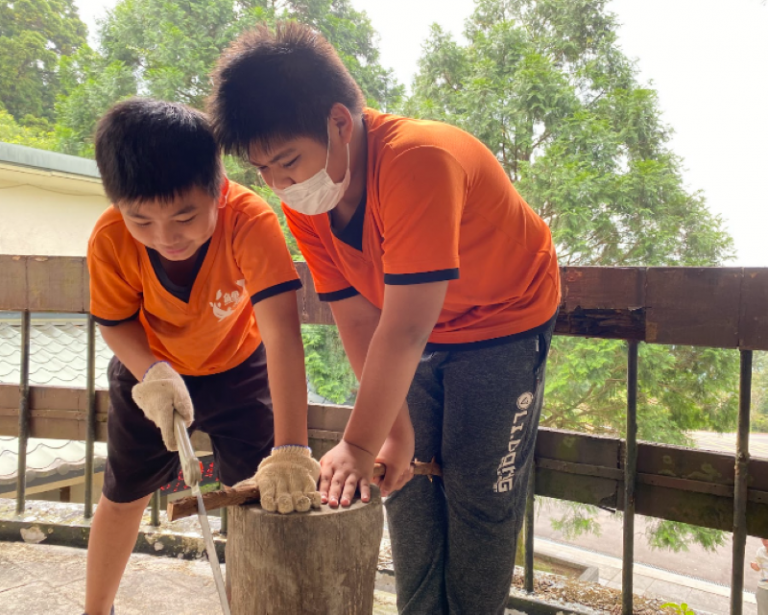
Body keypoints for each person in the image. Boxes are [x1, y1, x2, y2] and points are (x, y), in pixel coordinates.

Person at [207, 22, 560, 615]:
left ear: (340, 122)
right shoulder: (307, 204)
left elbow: (402, 330)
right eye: (261, 169)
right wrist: (390, 435)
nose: (279, 184)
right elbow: (359, 323)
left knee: (479, 498)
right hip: (416, 331)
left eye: (288, 161)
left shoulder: (419, 160)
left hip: (504, 323)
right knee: (406, 485)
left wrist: (356, 439)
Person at [84, 98, 320, 615]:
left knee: (258, 501)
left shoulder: (251, 221)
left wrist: (292, 448)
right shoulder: (108, 236)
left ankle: (254, 607)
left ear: (219, 190)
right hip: (153, 371)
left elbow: (281, 333)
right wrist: (151, 371)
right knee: (123, 495)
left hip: (240, 368)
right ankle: (95, 610)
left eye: (186, 216)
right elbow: (114, 319)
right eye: (141, 220)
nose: (166, 238)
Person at [751, 537, 768, 615]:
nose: (766, 542)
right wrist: (755, 566)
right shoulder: (760, 552)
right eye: (764, 539)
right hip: (763, 588)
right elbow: (759, 567)